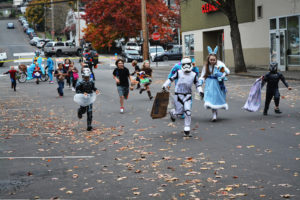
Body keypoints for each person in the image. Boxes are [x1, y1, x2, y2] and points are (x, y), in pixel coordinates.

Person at [162, 58, 202, 137]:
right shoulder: (179, 72)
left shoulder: (193, 74)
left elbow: (197, 84)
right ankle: (172, 113)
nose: (186, 66)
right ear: (182, 65)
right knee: (178, 113)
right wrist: (165, 85)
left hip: (187, 95)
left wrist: (200, 91)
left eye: (188, 64)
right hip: (178, 95)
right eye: (184, 64)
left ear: (191, 64)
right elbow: (171, 78)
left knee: (187, 111)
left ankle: (187, 128)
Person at [198, 46, 230, 122]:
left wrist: (223, 70)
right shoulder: (206, 66)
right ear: (208, 59)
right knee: (210, 99)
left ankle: (215, 112)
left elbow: (227, 72)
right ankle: (214, 114)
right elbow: (203, 75)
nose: (212, 61)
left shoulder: (220, 64)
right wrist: (201, 81)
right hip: (209, 84)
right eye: (211, 60)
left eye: (213, 60)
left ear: (216, 59)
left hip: (217, 84)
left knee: (215, 98)